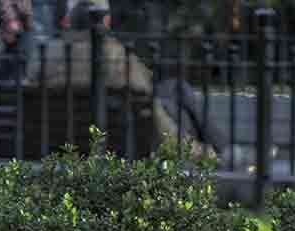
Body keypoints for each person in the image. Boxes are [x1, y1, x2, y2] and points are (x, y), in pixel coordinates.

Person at [37, 0, 223, 159]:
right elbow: (153, 115)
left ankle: (225, 149)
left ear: (71, 22)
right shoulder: (120, 60)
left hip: (69, 140)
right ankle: (226, 151)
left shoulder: (48, 63)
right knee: (176, 100)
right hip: (121, 141)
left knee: (176, 89)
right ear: (107, 21)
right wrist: (201, 152)